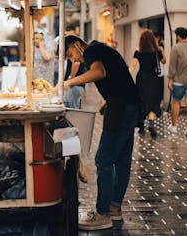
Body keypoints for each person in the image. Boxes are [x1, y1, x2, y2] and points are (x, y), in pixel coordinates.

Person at [63, 35, 139, 231]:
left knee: (103, 159)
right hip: (129, 104)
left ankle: (102, 213)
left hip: (121, 107)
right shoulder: (101, 49)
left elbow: (99, 72)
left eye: (71, 55)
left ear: (77, 45)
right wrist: (107, 100)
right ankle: (114, 208)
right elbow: (118, 75)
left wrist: (69, 83)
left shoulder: (90, 51)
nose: (75, 61)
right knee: (122, 159)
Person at [129, 29, 166, 137]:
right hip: (154, 79)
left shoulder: (138, 51)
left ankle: (141, 125)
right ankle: (151, 123)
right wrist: (161, 50)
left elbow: (133, 66)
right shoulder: (157, 51)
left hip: (141, 78)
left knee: (141, 100)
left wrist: (126, 77)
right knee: (153, 101)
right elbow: (164, 61)